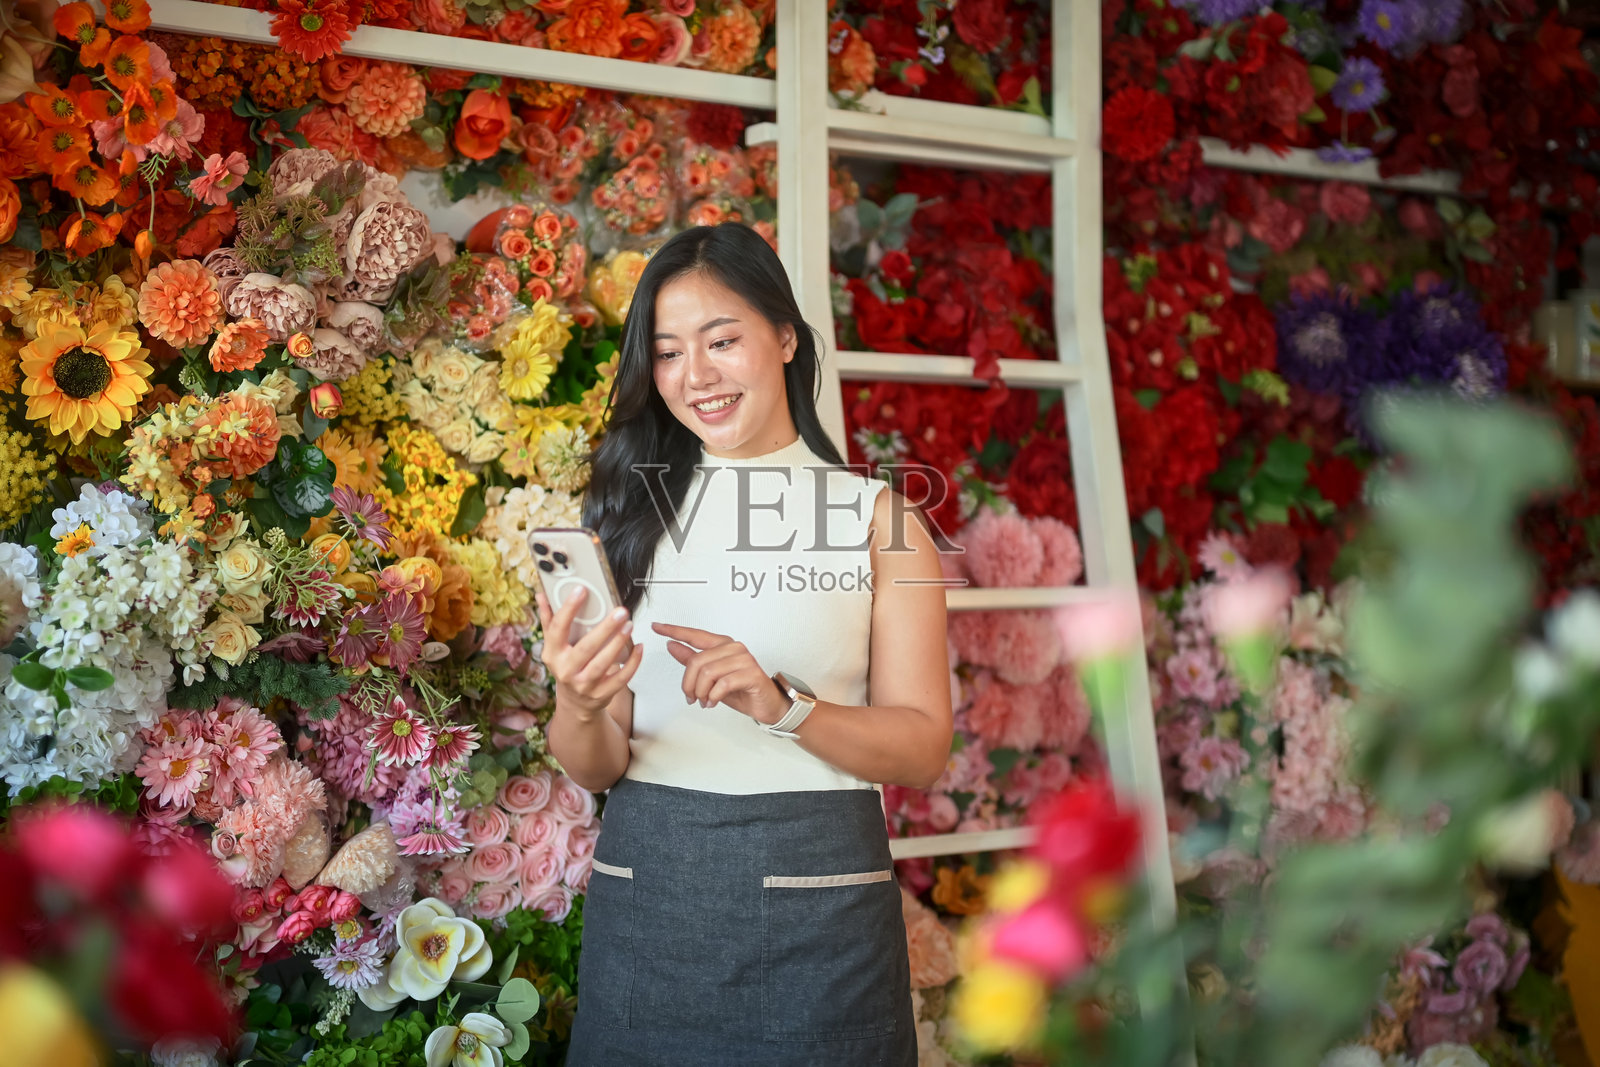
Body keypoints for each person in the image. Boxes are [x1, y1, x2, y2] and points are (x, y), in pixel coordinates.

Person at [540, 222, 954, 1066]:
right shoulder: (624, 518)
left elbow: (921, 747)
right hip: (649, 897)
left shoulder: (880, 521)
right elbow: (593, 765)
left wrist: (784, 705)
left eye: (721, 340)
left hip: (822, 916)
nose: (695, 375)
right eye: (666, 352)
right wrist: (578, 702)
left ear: (786, 337)